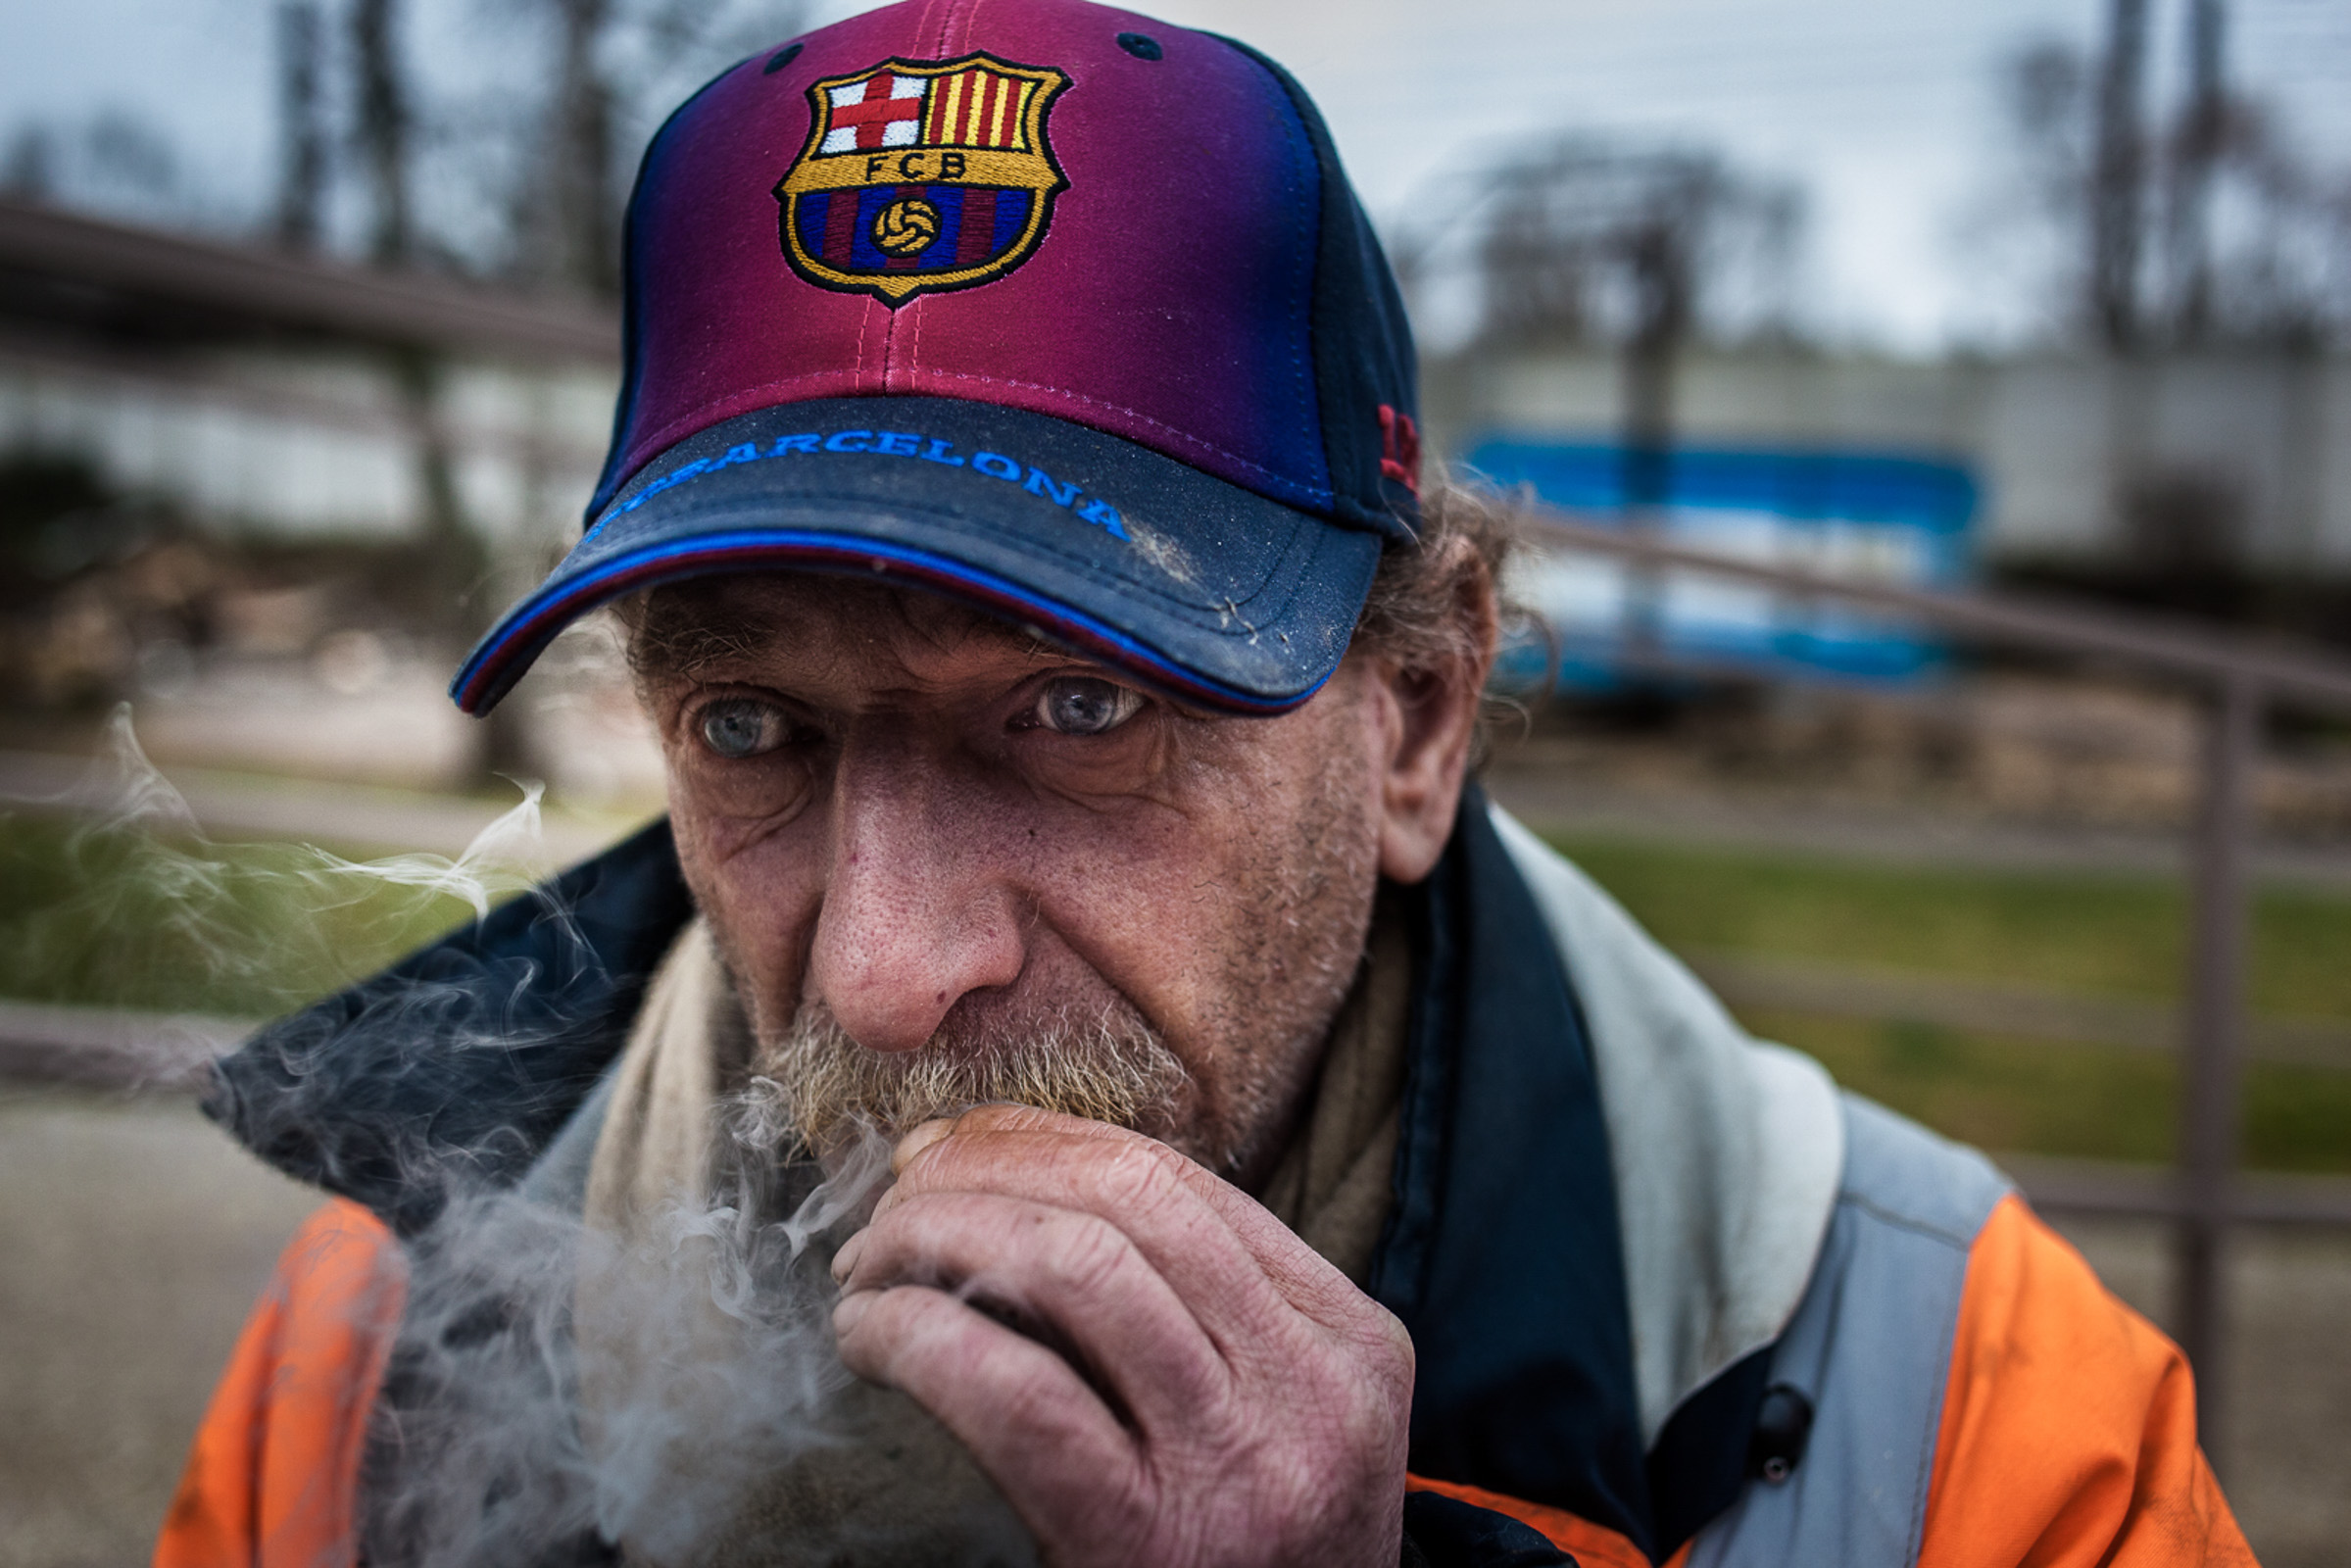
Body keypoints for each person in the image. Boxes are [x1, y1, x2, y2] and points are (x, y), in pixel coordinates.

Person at [158, 2, 2255, 1565]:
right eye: (753, 727)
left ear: (1418, 718)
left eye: (1081, 708)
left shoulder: (1959, 1412)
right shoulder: (382, 1343)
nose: (888, 974)